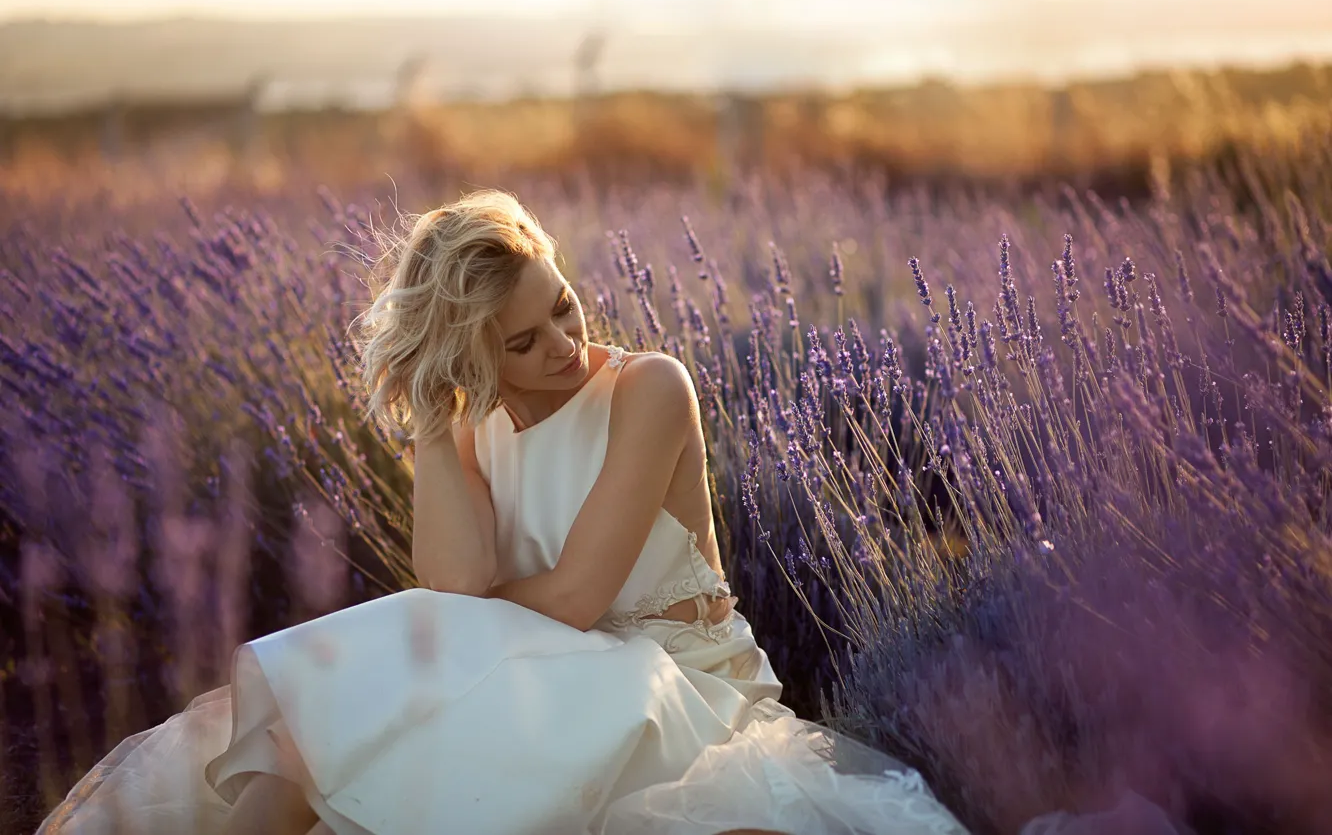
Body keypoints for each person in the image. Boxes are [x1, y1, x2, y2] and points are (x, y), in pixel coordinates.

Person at [37, 189, 969, 834]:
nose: (563, 344)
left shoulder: (648, 389)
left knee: (394, 668)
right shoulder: (472, 421)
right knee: (325, 730)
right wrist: (432, 419)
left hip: (676, 687)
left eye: (563, 306)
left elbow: (573, 600)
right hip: (547, 672)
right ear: (472, 355)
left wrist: (449, 627)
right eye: (522, 341)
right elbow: (457, 581)